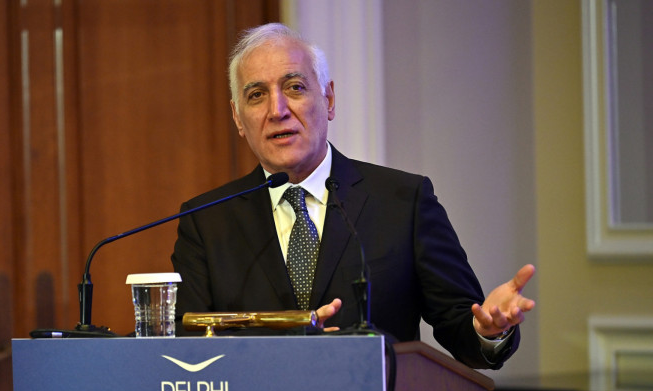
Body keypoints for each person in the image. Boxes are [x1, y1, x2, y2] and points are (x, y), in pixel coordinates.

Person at [171, 23, 535, 369]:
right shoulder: (206, 222)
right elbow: (188, 348)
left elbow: (460, 326)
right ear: (238, 117)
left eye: (294, 87)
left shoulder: (403, 202)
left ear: (328, 99)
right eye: (256, 95)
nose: (277, 110)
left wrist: (488, 330)